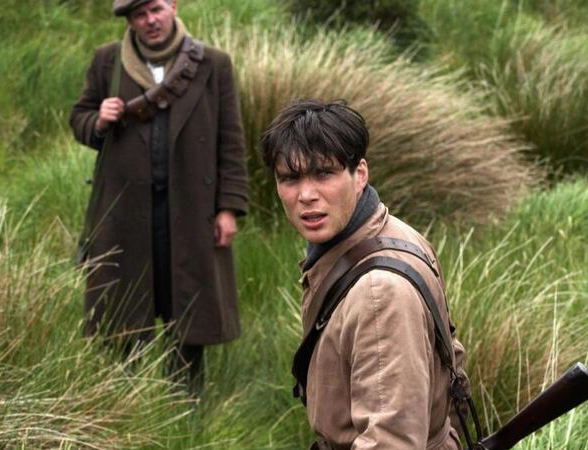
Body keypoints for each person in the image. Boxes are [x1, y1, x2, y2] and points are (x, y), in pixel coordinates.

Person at [260, 100, 471, 449]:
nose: (307, 195)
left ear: (359, 175)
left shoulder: (379, 292)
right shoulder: (396, 233)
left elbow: (390, 441)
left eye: (324, 173)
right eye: (290, 178)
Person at [69, 0, 248, 390]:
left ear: (172, 5)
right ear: (130, 20)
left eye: (155, 9)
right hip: (125, 208)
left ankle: (186, 400)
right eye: (139, 15)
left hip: (191, 206)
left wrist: (229, 208)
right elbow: (78, 119)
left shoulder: (213, 63)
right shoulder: (108, 61)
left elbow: (230, 141)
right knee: (121, 306)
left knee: (187, 301)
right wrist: (98, 119)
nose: (149, 21)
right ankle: (123, 399)